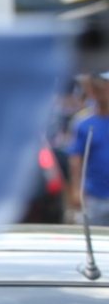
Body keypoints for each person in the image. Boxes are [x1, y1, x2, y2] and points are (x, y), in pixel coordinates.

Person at [68, 71, 109, 226]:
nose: (102, 91)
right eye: (97, 88)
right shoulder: (84, 123)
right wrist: (76, 190)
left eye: (105, 87)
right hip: (95, 197)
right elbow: (76, 159)